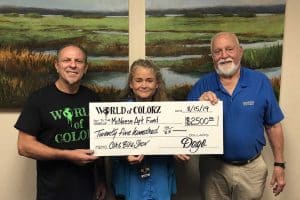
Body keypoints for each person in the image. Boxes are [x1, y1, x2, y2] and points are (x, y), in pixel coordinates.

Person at [187, 32, 286, 200]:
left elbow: (273, 125)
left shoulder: (260, 81)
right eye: (217, 51)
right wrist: (198, 106)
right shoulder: (202, 85)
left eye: (229, 49)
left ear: (240, 51)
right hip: (213, 169)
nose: (224, 55)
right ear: (212, 57)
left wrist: (279, 164)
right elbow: (185, 125)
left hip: (252, 169)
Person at [15, 44, 106, 200]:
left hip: (87, 189)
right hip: (52, 192)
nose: (73, 65)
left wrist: (101, 180)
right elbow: (24, 146)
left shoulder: (93, 98)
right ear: (57, 66)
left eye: (79, 61)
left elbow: (101, 140)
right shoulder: (39, 99)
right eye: (66, 60)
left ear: (85, 68)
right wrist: (68, 155)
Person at [111, 59, 178, 200]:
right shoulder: (117, 112)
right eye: (138, 80)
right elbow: (108, 145)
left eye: (149, 80)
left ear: (157, 84)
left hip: (160, 174)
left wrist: (179, 150)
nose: (144, 85)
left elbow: (177, 140)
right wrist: (124, 155)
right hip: (131, 177)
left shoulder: (170, 111)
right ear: (131, 84)